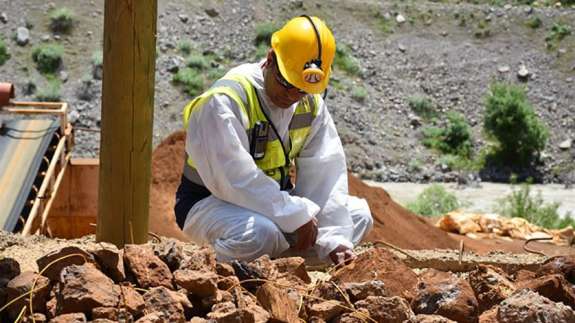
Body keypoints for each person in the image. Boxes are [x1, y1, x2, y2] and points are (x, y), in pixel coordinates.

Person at [174, 15, 373, 265]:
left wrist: (333, 238)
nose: (293, 96)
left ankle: (283, 264)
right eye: (287, 84)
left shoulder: (310, 103)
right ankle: (206, 268)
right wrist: (296, 215)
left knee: (357, 216)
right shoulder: (225, 101)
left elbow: (325, 172)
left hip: (275, 203)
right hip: (211, 201)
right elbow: (234, 180)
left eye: (303, 89)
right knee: (260, 234)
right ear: (270, 59)